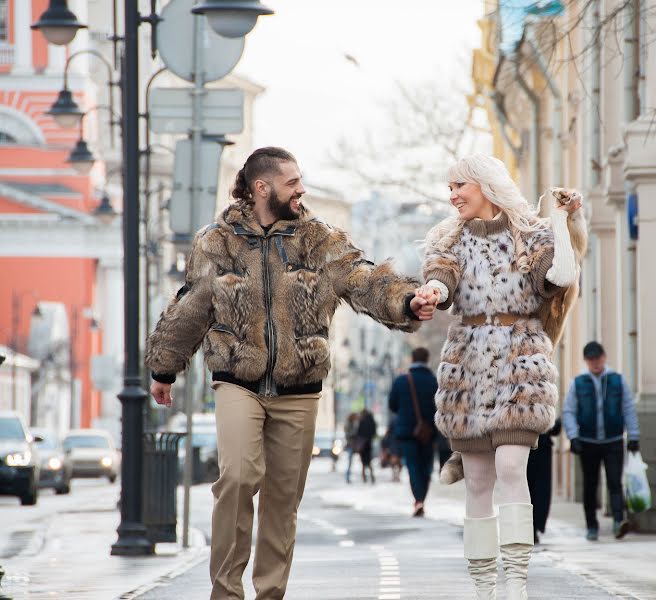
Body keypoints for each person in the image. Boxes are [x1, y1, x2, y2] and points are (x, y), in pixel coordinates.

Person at [144, 147, 437, 600]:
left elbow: (362, 278)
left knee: (283, 499)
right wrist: (164, 366)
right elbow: (192, 304)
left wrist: (406, 301)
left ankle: (270, 594)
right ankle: (225, 592)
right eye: (292, 182)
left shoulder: (318, 239)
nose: (302, 190)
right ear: (262, 188)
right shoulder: (216, 242)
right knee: (238, 477)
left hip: (300, 388)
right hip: (237, 379)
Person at [417, 154, 587, 599]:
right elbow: (442, 276)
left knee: (511, 466)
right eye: (449, 187)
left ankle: (516, 583)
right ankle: (483, 587)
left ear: (486, 185)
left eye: (459, 186)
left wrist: (562, 222)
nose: (452, 195)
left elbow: (562, 276)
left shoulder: (530, 235)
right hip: (467, 366)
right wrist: (435, 289)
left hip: (521, 361)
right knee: (476, 480)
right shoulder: (447, 239)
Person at [563, 341, 641, 542]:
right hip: (587, 442)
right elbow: (569, 411)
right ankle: (591, 526)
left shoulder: (617, 380)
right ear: (586, 361)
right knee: (590, 485)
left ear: (604, 357)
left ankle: (618, 522)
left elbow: (628, 408)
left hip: (613, 441)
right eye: (591, 360)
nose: (595, 363)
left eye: (598, 358)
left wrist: (633, 436)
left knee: (615, 482)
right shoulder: (578, 383)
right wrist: (573, 436)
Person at [388, 347, 439, 516]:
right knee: (427, 467)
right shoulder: (434, 381)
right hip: (430, 433)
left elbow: (392, 405)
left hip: (408, 433)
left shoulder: (402, 381)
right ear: (426, 360)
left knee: (413, 466)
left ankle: (418, 500)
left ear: (412, 359)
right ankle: (421, 498)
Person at [526, 418, 561, 543]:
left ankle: (534, 528)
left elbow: (555, 425)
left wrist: (554, 424)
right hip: (523, 444)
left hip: (542, 447)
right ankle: (528, 529)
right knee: (526, 489)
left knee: (541, 490)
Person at [355, 407, 377, 484]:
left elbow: (358, 432)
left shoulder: (362, 421)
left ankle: (364, 477)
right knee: (369, 461)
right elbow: (374, 432)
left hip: (362, 444)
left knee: (363, 462)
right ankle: (372, 476)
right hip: (369, 443)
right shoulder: (372, 420)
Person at [380, 417, 403, 482]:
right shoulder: (401, 419)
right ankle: (396, 475)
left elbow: (388, 432)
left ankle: (395, 475)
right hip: (398, 442)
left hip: (394, 443)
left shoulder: (393, 420)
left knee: (395, 460)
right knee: (397, 460)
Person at [343, 411, 359, 484]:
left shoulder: (351, 423)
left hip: (353, 444)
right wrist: (355, 429)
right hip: (351, 444)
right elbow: (349, 434)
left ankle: (348, 476)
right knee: (349, 461)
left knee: (350, 461)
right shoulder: (349, 424)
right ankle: (347, 476)